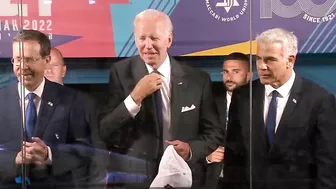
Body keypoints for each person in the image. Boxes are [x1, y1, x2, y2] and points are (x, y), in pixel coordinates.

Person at [99, 9, 222, 188]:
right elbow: (105, 129)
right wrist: (135, 97)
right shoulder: (120, 73)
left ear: (169, 39)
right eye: (142, 39)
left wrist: (190, 149)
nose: (147, 45)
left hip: (183, 177)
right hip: (135, 180)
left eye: (154, 38)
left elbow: (214, 133)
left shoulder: (197, 80)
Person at [224, 28, 336, 189]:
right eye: (258, 58)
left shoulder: (319, 100)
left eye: (270, 60)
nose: (262, 66)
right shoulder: (243, 96)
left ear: (290, 60)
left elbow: (328, 164)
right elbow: (233, 157)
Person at [0, 30, 92, 189]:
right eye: (18, 60)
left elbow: (85, 150)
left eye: (29, 59)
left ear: (46, 60)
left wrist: (49, 154)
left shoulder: (72, 99)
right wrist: (14, 160)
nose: (23, 67)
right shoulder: (1, 99)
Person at [44, 47, 108, 189]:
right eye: (44, 66)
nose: (49, 70)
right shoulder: (31, 105)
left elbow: (98, 152)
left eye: (54, 65)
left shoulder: (85, 102)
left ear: (64, 70)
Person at [205, 52, 252, 189]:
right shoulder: (208, 96)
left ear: (249, 76)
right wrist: (206, 155)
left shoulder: (259, 100)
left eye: (236, 72)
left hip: (244, 179)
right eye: (225, 72)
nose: (229, 77)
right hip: (211, 178)